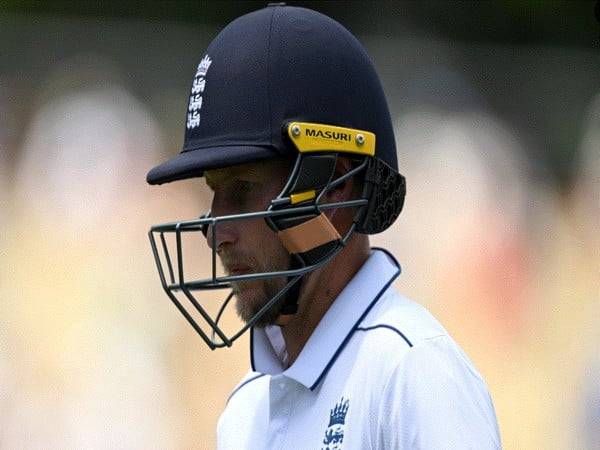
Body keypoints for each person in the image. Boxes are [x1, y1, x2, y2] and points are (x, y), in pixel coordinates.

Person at [146, 4, 501, 449]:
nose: (217, 233)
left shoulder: (412, 373)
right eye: (213, 193)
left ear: (333, 187)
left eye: (241, 188)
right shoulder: (245, 413)